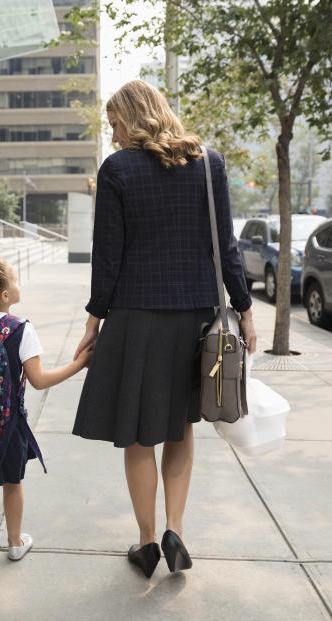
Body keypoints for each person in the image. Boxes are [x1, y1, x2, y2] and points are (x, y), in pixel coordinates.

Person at [71, 80, 258, 579]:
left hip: (136, 316)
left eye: (114, 124)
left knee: (138, 436)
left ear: (133, 116)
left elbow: (107, 255)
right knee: (179, 427)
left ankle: (147, 541)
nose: (112, 135)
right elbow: (228, 247)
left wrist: (94, 320)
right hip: (197, 316)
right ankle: (176, 530)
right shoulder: (208, 163)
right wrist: (245, 309)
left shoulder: (117, 170)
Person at [0, 258, 92, 597]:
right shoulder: (20, 328)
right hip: (7, 427)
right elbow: (39, 380)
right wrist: (79, 364)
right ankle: (14, 542)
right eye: (16, 279)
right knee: (13, 483)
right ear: (6, 294)